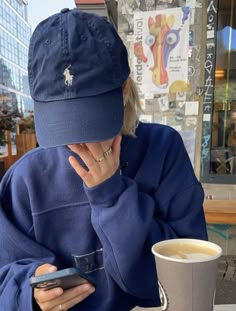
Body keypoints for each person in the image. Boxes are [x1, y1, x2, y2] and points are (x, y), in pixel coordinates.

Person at [0, 8, 208, 311]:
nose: (77, 140)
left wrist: (112, 196)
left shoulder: (163, 149)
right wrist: (28, 292)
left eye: (90, 119)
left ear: (124, 91)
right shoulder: (25, 179)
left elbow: (188, 271)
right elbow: (5, 275)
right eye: (61, 121)